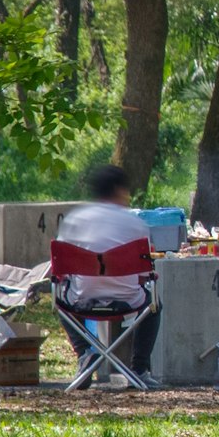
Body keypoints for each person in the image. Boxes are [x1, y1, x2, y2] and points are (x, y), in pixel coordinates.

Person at [55, 161, 160, 375]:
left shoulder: (74, 220)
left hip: (81, 299)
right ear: (119, 190)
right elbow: (143, 277)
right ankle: (139, 369)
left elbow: (61, 272)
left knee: (60, 298)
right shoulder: (136, 224)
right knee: (154, 303)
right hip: (129, 300)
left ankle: (84, 352)